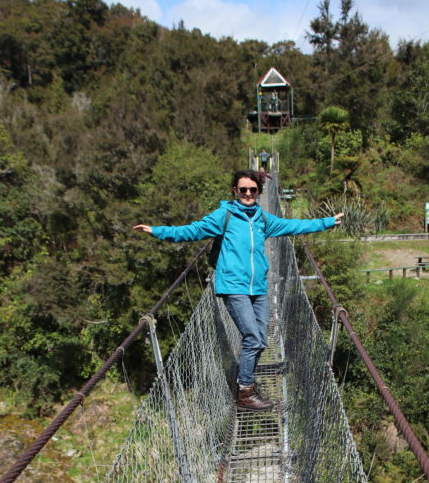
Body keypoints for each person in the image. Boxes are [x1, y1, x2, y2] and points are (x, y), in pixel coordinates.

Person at [134, 169, 343, 412]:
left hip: (259, 288)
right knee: (253, 338)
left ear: (258, 192)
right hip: (233, 287)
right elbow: (190, 231)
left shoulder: (263, 219)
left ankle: (245, 381)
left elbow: (293, 225)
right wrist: (157, 231)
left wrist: (327, 222)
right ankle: (245, 391)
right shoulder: (223, 216)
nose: (247, 193)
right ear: (235, 191)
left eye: (252, 190)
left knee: (260, 340)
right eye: (242, 189)